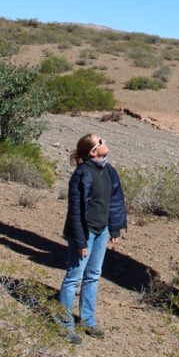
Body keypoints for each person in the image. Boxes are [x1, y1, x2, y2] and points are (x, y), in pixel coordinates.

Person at [57, 133, 127, 343]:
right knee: (73, 278)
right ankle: (64, 324)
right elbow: (76, 211)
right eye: (100, 141)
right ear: (93, 152)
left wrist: (114, 229)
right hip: (84, 233)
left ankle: (87, 320)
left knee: (93, 275)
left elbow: (115, 201)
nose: (104, 141)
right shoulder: (82, 173)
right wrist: (80, 241)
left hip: (102, 230)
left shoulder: (109, 171)